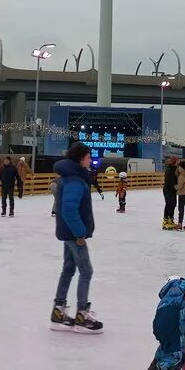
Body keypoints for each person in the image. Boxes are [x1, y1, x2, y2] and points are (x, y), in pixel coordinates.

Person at [50, 142, 103, 331]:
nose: (91, 161)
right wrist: (80, 233)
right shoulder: (75, 180)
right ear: (81, 159)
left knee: (69, 269)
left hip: (68, 232)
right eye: (89, 157)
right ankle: (82, 313)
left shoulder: (75, 178)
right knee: (86, 271)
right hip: (74, 234)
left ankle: (58, 309)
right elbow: (69, 209)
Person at [162, 156, 179, 229]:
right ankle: (166, 221)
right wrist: (176, 187)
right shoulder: (170, 170)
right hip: (169, 190)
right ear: (174, 162)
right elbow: (170, 181)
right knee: (170, 204)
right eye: (177, 161)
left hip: (171, 189)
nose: (178, 162)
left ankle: (169, 220)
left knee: (172, 204)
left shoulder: (173, 169)